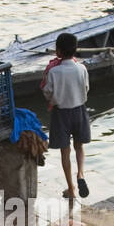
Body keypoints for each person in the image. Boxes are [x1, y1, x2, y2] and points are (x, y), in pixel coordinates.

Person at [43, 31, 90, 200]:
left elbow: (48, 92)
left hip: (61, 113)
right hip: (79, 110)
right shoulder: (82, 68)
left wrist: (56, 98)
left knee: (65, 151)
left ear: (58, 51)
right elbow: (86, 88)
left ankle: (71, 189)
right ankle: (81, 174)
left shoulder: (54, 72)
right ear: (75, 50)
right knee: (79, 147)